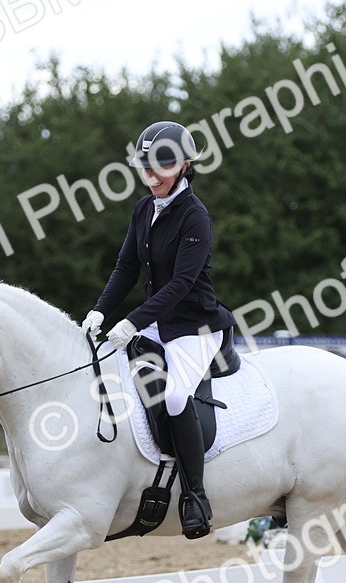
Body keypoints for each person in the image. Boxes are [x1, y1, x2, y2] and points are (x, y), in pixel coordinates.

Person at [80, 120, 235, 539]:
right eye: (146, 166)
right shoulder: (144, 208)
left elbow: (181, 284)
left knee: (176, 395)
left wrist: (132, 321)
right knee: (112, 373)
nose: (151, 175)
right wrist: (101, 311)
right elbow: (127, 267)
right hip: (157, 324)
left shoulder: (194, 216)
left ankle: (196, 497)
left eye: (161, 167)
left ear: (184, 166)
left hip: (194, 327)